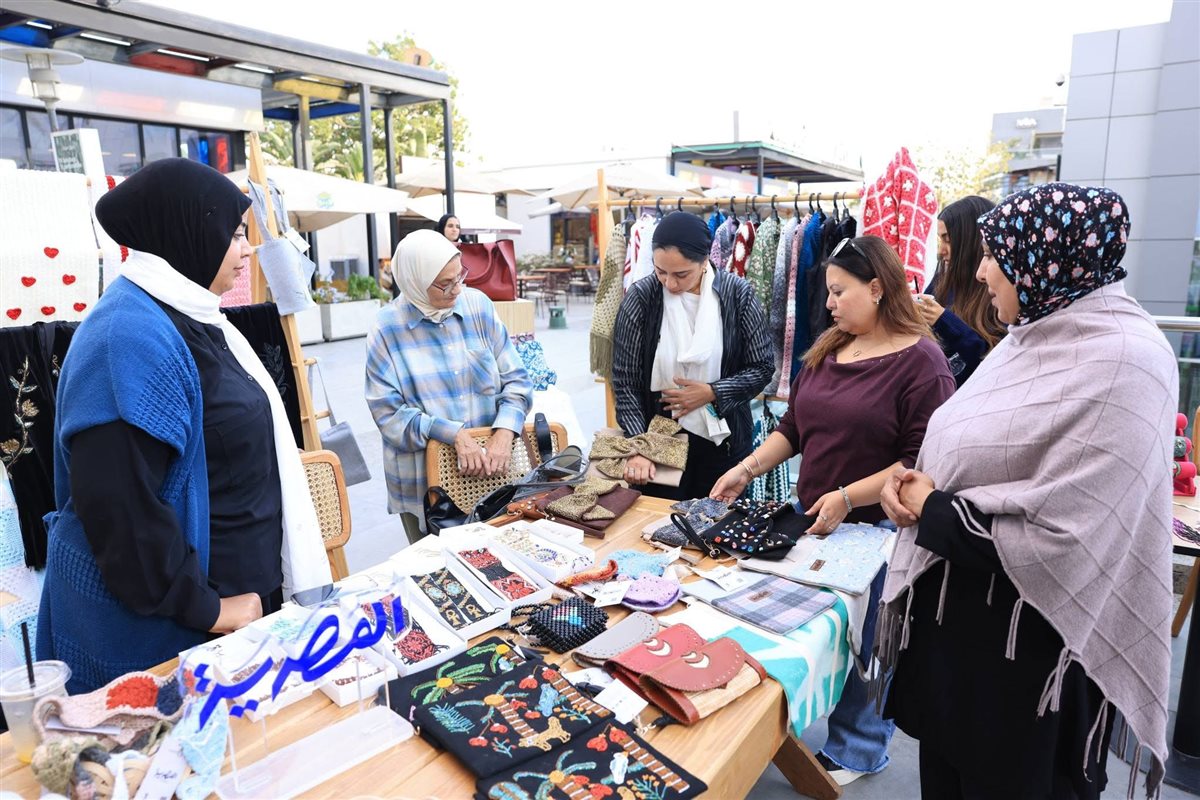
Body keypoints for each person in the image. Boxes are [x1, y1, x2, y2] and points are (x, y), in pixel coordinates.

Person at [878, 184, 1177, 800]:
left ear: (1047, 260)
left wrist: (930, 506)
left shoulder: (1129, 361)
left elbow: (1070, 539)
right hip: (958, 647)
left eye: (995, 255)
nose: (980, 271)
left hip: (1032, 670)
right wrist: (916, 489)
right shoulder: (1025, 341)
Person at [36, 158, 331, 694]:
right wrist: (210, 608)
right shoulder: (126, 340)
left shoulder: (197, 315)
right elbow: (120, 512)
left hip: (234, 615)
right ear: (186, 232)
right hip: (175, 635)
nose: (247, 249)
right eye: (234, 234)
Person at [711, 234, 955, 786]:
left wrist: (848, 497)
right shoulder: (831, 347)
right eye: (828, 291)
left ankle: (860, 747)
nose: (829, 303)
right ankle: (796, 727)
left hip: (883, 532)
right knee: (814, 633)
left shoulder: (923, 364)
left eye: (840, 291)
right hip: (817, 522)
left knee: (872, 643)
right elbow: (794, 427)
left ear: (878, 288)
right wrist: (747, 468)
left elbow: (920, 462)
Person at [366, 229, 532, 531]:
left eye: (460, 276)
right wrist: (452, 434)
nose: (457, 289)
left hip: (494, 475)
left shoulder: (478, 306)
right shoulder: (387, 328)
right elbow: (388, 416)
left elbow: (517, 380)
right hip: (425, 487)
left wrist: (505, 432)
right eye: (445, 284)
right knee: (435, 560)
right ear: (415, 283)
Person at [611, 211, 772, 500]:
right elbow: (625, 381)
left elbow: (762, 367)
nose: (670, 283)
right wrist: (639, 445)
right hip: (657, 438)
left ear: (704, 260)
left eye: (681, 274)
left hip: (724, 438)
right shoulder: (642, 297)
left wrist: (712, 392)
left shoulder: (737, 295)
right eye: (661, 271)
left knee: (719, 521)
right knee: (658, 521)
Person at [915, 195, 1005, 386]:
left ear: (971, 240)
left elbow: (992, 361)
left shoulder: (1001, 292)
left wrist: (944, 320)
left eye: (948, 240)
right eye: (940, 240)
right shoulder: (944, 280)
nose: (941, 251)